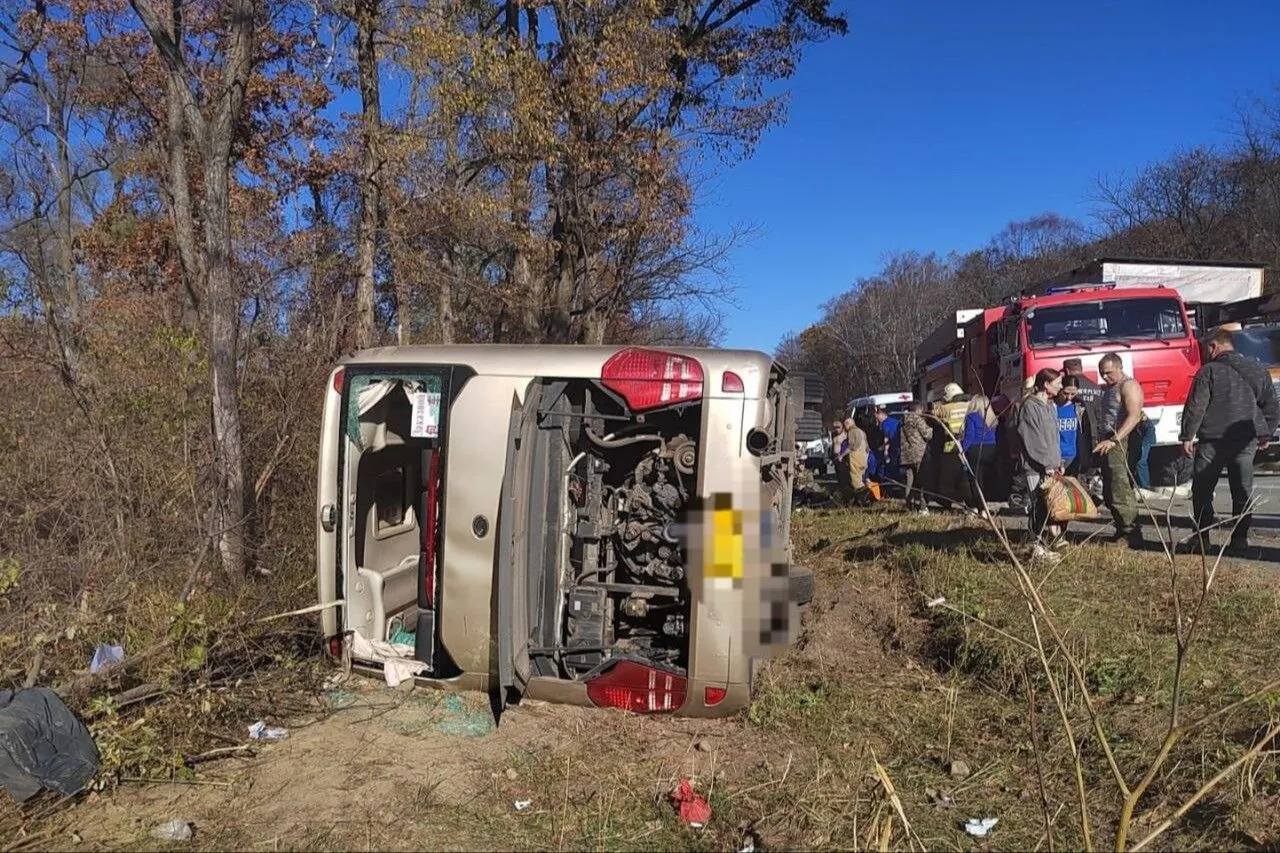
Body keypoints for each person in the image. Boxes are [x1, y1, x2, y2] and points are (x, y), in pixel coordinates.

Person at [1178, 327, 1280, 553]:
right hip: (1245, 441)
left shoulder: (1208, 371)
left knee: (1203, 490)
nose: (1205, 353)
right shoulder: (1257, 369)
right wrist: (1266, 432)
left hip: (1212, 440)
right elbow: (1272, 406)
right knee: (1242, 490)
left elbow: (1196, 406)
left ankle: (1203, 538)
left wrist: (1187, 435)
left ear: (1214, 346)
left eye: (1206, 348)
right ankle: (1239, 539)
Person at [1092, 353, 1144, 547]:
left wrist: (1115, 440)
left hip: (1121, 440)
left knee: (1120, 487)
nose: (1105, 377)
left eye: (1108, 373)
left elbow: (1134, 416)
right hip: (1108, 440)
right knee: (1110, 489)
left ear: (1119, 368)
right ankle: (1121, 528)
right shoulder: (1110, 388)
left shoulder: (1128, 385)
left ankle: (1131, 533)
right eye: (1102, 374)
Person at [1017, 368, 1066, 563]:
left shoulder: (1049, 406)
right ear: (1046, 384)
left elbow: (1053, 438)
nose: (1061, 386)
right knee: (1038, 505)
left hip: (1052, 466)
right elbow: (1032, 438)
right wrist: (1045, 463)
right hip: (1036, 467)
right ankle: (1035, 546)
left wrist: (1058, 461)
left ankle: (1041, 545)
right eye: (1058, 383)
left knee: (1048, 507)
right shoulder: (1030, 406)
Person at [960, 393, 998, 516]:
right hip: (991, 449)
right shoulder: (992, 417)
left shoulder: (971, 416)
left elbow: (969, 436)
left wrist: (962, 450)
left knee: (975, 480)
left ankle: (977, 507)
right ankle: (985, 506)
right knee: (986, 479)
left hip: (976, 449)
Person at [934, 382, 971, 507]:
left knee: (947, 480)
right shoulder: (970, 405)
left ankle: (949, 502)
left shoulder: (946, 408)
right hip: (967, 447)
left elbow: (934, 415)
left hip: (950, 448)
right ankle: (969, 502)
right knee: (965, 478)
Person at [898, 401, 933, 513]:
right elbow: (928, 435)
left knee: (909, 481)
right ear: (918, 410)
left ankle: (909, 505)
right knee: (923, 480)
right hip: (919, 454)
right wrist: (932, 427)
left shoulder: (903, 420)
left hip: (907, 456)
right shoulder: (918, 419)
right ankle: (923, 507)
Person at [840, 416, 871, 506]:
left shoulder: (852, 431)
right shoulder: (862, 432)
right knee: (861, 479)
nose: (844, 427)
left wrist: (842, 455)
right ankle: (859, 500)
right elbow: (867, 448)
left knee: (856, 482)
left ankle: (864, 500)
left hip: (856, 459)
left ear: (848, 424)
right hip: (864, 459)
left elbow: (851, 446)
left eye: (845, 425)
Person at [1056, 376, 1083, 475]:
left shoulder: (1078, 406)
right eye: (1066, 393)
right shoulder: (1052, 407)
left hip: (1073, 455)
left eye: (1073, 394)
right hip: (1057, 455)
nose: (1069, 397)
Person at [875, 406, 902, 490]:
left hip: (892, 450)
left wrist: (884, 451)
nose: (876, 418)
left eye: (876, 416)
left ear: (881, 414)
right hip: (899, 448)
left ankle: (892, 488)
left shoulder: (885, 424)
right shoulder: (895, 421)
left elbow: (887, 438)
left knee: (890, 470)